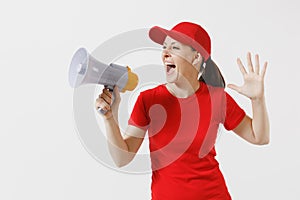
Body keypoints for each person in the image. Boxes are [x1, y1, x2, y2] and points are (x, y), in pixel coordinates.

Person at [95, 22, 270, 200]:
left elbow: (259, 137)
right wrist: (110, 117)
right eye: (164, 47)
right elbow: (121, 159)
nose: (165, 53)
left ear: (196, 58)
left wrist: (257, 100)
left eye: (175, 47)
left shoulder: (217, 99)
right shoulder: (148, 99)